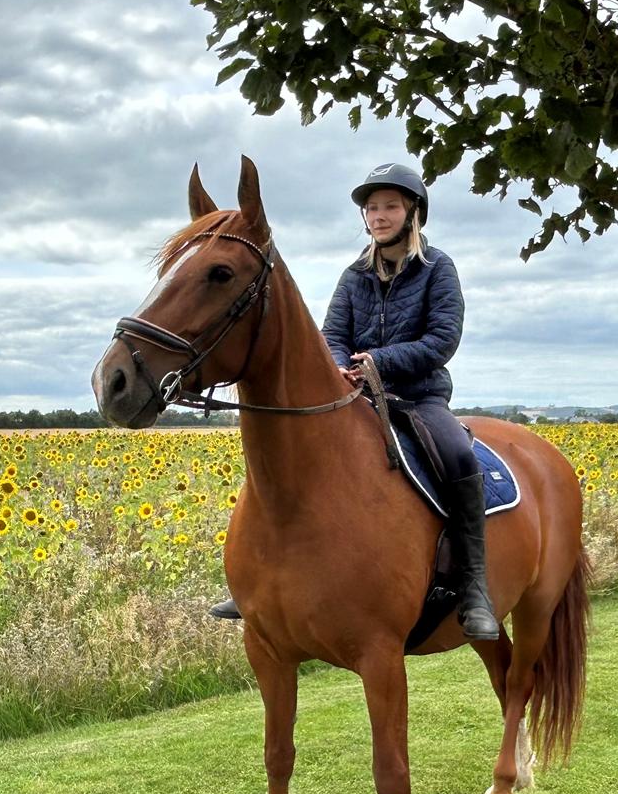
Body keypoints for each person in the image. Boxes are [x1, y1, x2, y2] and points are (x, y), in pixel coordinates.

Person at [209, 162, 499, 641]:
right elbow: (332, 335)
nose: (378, 215)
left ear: (412, 213)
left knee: (458, 454)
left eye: (389, 206)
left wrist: (376, 361)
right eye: (371, 207)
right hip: (354, 397)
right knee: (283, 457)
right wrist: (340, 365)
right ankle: (257, 581)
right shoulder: (354, 275)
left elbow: (442, 340)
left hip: (419, 397)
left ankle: (474, 587)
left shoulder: (438, 269)